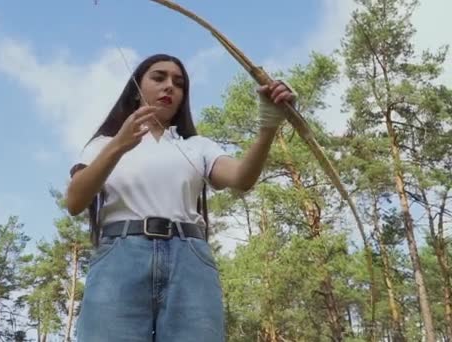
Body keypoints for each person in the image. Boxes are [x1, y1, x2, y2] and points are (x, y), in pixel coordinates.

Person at [66, 53, 296, 342]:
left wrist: (269, 124)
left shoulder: (198, 146)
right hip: (120, 258)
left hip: (189, 259)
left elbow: (242, 178)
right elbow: (74, 201)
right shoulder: (103, 144)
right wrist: (118, 146)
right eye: (158, 77)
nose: (169, 87)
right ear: (136, 89)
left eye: (179, 82)